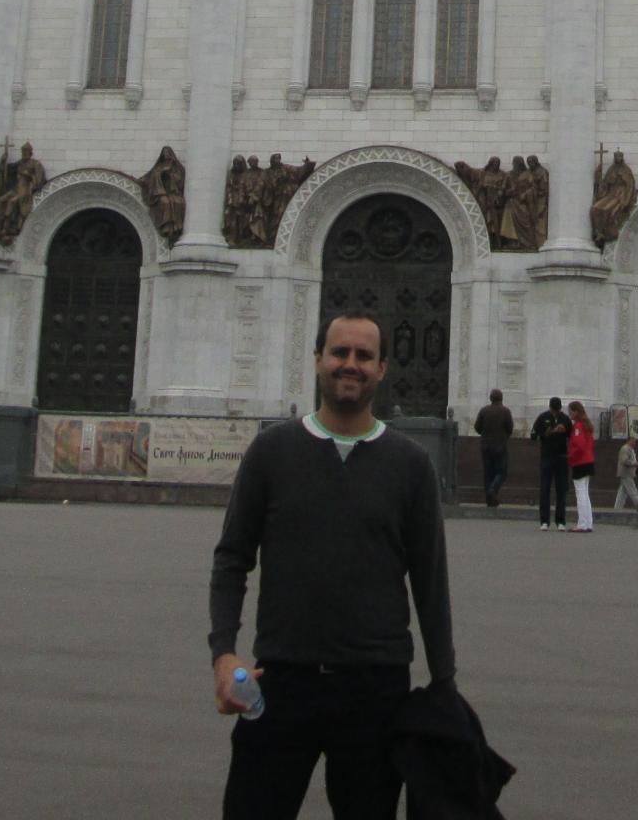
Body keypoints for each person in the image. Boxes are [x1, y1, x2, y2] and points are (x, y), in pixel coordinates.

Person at [208, 312, 456, 820]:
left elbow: (430, 583)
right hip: (279, 682)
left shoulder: (410, 465)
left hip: (375, 688)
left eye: (364, 356)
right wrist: (223, 654)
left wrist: (444, 686)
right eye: (340, 353)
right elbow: (233, 557)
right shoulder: (272, 451)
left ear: (383, 367)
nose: (351, 365)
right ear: (318, 359)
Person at [531, 396, 573, 530]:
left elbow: (572, 437)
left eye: (557, 410)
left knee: (561, 489)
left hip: (561, 457)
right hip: (547, 456)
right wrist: (546, 433)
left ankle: (561, 521)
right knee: (545, 488)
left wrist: (564, 430)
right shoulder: (543, 417)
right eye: (554, 410)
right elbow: (533, 435)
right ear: (550, 408)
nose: (555, 413)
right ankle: (544, 521)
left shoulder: (565, 419)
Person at [473, 388, 513, 508]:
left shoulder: (484, 410)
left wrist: (484, 434)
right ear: (501, 398)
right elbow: (510, 428)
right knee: (501, 472)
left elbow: (477, 427)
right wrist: (503, 437)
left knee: (488, 473)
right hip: (500, 446)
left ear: (491, 398)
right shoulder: (505, 411)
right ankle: (492, 489)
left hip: (485, 446)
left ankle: (489, 500)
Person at [566, 401, 597, 532]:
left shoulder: (578, 426)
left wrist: (570, 456)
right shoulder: (586, 425)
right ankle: (588, 522)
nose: (569, 414)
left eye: (570, 411)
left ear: (576, 411)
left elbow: (579, 445)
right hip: (588, 461)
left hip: (580, 462)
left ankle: (582, 523)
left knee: (580, 493)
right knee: (585, 492)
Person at [614, 433, 638, 510]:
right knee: (632, 490)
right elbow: (624, 461)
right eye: (633, 441)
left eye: (635, 441)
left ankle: (617, 508)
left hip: (627, 473)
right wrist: (635, 464)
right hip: (626, 473)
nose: (635, 443)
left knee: (622, 492)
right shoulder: (625, 449)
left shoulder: (630, 449)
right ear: (629, 440)